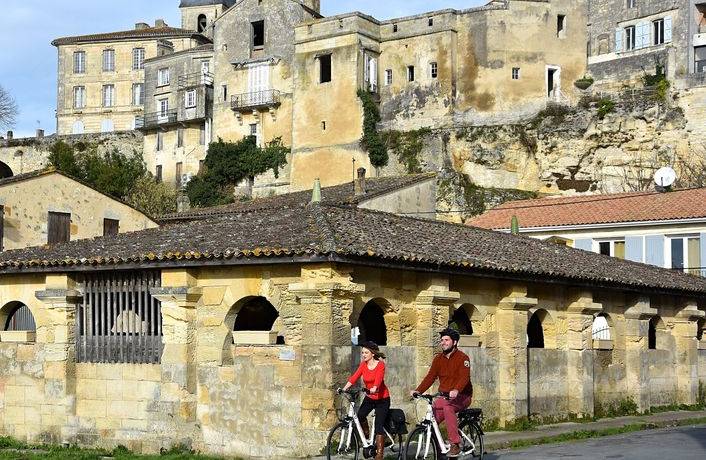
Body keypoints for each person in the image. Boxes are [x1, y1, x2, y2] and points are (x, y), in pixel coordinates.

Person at [410, 328, 472, 457]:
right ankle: (441, 453)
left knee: (448, 407)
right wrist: (418, 390)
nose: (443, 342)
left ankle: (455, 444)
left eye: (446, 340)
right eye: (442, 340)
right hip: (444, 396)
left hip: (462, 396)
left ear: (454, 342)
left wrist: (456, 390)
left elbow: (464, 378)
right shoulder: (438, 359)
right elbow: (430, 377)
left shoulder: (463, 358)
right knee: (431, 419)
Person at [342, 341, 390, 460]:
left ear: (372, 353)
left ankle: (379, 455)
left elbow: (378, 379)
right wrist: (344, 388)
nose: (363, 355)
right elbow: (355, 377)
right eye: (362, 352)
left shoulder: (380, 365)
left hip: (382, 399)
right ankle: (367, 440)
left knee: (379, 425)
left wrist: (375, 388)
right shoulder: (363, 364)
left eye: (366, 352)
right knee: (360, 415)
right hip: (370, 397)